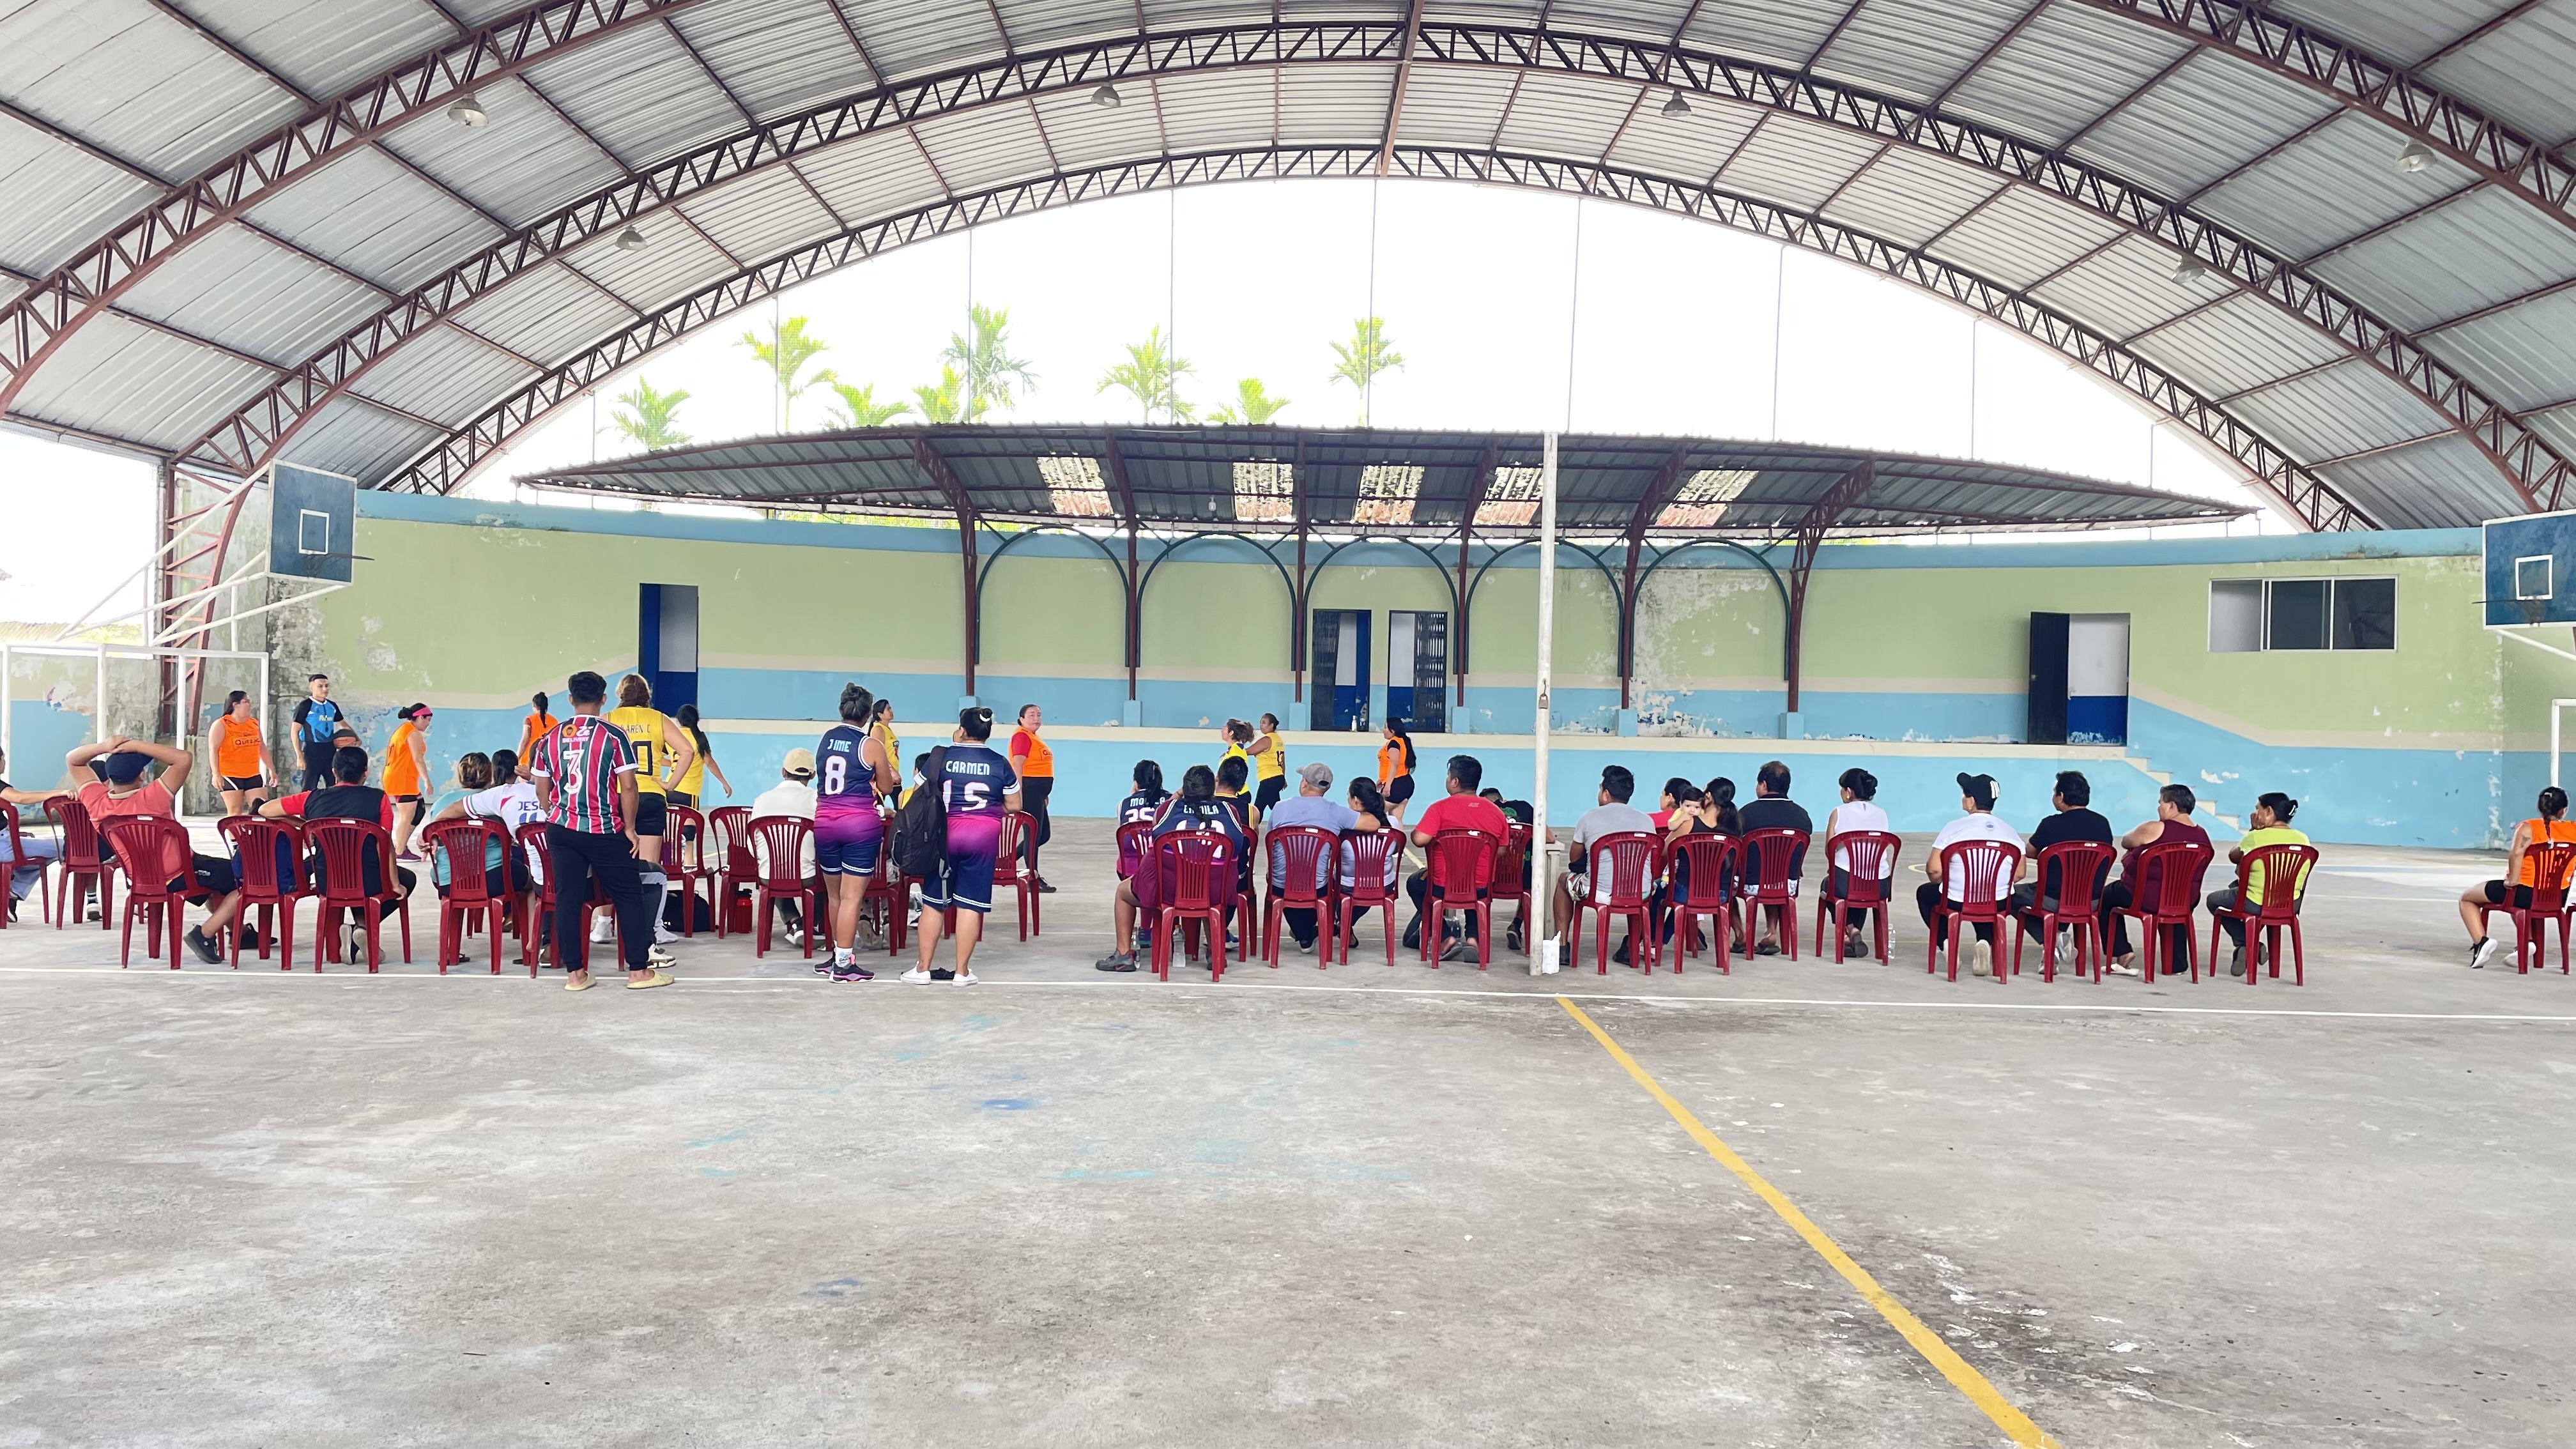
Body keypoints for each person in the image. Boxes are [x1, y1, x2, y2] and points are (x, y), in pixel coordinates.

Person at [527, 671, 668, 990]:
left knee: (568, 898)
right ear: (603, 699)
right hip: (603, 828)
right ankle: (638, 972)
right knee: (628, 895)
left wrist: (553, 812)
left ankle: (575, 975)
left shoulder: (551, 737)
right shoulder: (613, 735)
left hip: (562, 829)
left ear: (570, 699)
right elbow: (629, 786)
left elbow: (541, 787)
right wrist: (630, 828)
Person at [71, 734, 245, 963]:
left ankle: (240, 933)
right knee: (246, 877)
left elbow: (73, 760)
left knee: (216, 874)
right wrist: (134, 744)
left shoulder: (96, 802)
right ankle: (204, 934)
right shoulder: (153, 797)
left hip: (140, 879)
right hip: (178, 875)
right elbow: (184, 758)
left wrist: (105, 746)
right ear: (142, 775)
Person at [263, 744, 419, 962]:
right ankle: (362, 928)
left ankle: (358, 931)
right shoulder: (379, 799)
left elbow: (265, 810)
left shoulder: (312, 798)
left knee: (350, 879)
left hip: (327, 879)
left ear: (334, 772)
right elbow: (385, 845)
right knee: (407, 879)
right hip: (368, 879)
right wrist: (394, 883)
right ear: (366, 773)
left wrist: (305, 825)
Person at [908, 707, 1018, 986]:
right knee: (970, 904)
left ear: (962, 730)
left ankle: (922, 969)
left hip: (944, 836)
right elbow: (1015, 804)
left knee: (934, 902)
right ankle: (962, 972)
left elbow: (919, 793)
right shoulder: (999, 763)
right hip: (982, 838)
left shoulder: (941, 757)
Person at [1101, 763, 1245, 972]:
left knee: (1123, 892)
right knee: (1208, 882)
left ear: (1185, 788)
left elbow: (1156, 834)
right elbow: (1238, 848)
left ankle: (1123, 955)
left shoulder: (1167, 809)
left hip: (1170, 892)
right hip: (1216, 892)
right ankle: (1215, 953)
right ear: (1212, 789)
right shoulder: (1230, 811)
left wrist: (1177, 795)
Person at [601, 674, 694, 957]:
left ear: (620, 694)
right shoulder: (658, 718)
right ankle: (653, 928)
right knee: (651, 868)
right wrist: (671, 783)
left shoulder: (608, 718)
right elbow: (687, 750)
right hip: (651, 794)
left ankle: (604, 924)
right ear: (646, 694)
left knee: (610, 862)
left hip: (617, 795)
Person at [814, 684, 896, 982]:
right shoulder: (870, 744)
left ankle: (837, 953)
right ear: (868, 715)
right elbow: (886, 787)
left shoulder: (826, 739)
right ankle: (844, 964)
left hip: (825, 821)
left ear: (841, 710)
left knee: (835, 896)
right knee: (852, 898)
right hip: (858, 824)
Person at [1918, 772, 2025, 977]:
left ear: (1972, 801)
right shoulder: (2010, 832)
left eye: (1965, 794)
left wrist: (1941, 881)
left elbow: (1934, 869)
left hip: (1957, 901)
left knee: (1925, 893)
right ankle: (1985, 941)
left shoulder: (1954, 828)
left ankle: (1946, 944)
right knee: (1984, 897)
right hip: (1998, 902)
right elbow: (2020, 873)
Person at [2101, 783, 2212, 976]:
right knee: (2174, 900)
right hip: (2185, 899)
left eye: (2161, 803)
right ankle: (2176, 964)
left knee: (2104, 898)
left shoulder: (2155, 828)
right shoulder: (2202, 835)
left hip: (2145, 897)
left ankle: (2122, 951)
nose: (2159, 808)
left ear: (2172, 806)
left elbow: (2126, 841)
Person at [2460, 785, 2576, 969]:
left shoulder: (2528, 828)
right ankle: (2527, 942)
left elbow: (2516, 855)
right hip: (2557, 897)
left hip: (2525, 893)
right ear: (2564, 811)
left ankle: (2481, 942)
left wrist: (2511, 881)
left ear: (2539, 807)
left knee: (2467, 898)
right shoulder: (2574, 830)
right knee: (2520, 900)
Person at [1405, 754, 1508, 960]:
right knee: (1475, 885)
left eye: (1448, 775)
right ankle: (1473, 938)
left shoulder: (1439, 809)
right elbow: (1501, 851)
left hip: (1442, 886)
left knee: (1415, 883)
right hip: (1481, 887)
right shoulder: (1496, 813)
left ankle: (1445, 937)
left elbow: (1419, 839)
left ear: (1454, 781)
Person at [2012, 770, 2116, 969]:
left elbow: (2031, 852)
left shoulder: (2051, 824)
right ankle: (2055, 947)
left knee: (2011, 895)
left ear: (2061, 796)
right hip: (2091, 899)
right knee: (2066, 893)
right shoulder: (2103, 824)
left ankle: (2053, 940)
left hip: (2052, 899)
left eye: (2055, 793)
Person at [1551, 765, 1655, 960]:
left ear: (1606, 794)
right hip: (1640, 892)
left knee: (1563, 880)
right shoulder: (1647, 821)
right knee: (1648, 888)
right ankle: (1631, 948)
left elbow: (1574, 858)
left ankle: (1562, 946)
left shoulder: (1589, 818)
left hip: (1601, 893)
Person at [2209, 792, 2313, 976]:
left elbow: (2234, 856)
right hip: (2289, 903)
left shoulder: (2257, 837)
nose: (2255, 814)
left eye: (2258, 809)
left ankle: (2247, 944)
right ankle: (2249, 945)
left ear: (2269, 811)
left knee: (2213, 900)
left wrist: (2253, 831)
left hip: (2255, 902)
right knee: (2236, 886)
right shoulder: (2303, 839)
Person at [1264, 761, 1356, 953]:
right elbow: (1372, 824)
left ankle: (1304, 934)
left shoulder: (1280, 808)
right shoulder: (1336, 812)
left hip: (1280, 885)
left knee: (1281, 877)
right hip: (1317, 887)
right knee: (1332, 881)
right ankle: (1307, 933)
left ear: (1304, 783)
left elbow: (1270, 843)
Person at [748, 747, 820, 954]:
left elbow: (753, 848)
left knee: (777, 869)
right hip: (807, 876)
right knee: (831, 876)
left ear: (783, 772)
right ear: (812, 775)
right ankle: (809, 924)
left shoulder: (761, 800)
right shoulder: (817, 800)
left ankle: (796, 923)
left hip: (769, 875)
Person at [1736, 760, 1813, 954]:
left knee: (1723, 882)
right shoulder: (1802, 816)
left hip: (1751, 884)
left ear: (1763, 785)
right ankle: (1771, 930)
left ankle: (1740, 935)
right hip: (1787, 884)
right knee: (1775, 874)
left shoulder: (1746, 813)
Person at [1100, 760, 1172, 967]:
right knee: (1152, 874)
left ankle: (1134, 940)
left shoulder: (1123, 804)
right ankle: (1148, 930)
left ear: (1136, 782)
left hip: (1130, 869)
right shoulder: (1171, 803)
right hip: (1162, 870)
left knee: (1136, 879)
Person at [1821, 767, 1894, 959]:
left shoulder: (1839, 812)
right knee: (1862, 887)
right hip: (1880, 884)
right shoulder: (1882, 814)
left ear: (1848, 791)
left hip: (1846, 881)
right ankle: (1851, 935)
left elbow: (1830, 850)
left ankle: (1851, 930)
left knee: (1828, 886)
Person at [0, 746, 63, 918]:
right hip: (4, 846)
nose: (5, 762)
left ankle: (11, 892)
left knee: (36, 852)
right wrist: (59, 792)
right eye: (3, 758)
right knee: (65, 845)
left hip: (6, 840)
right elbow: (20, 798)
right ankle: (13, 891)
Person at [1008, 703, 1055, 893]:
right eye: (1031, 715)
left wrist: (1044, 795)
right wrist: (1018, 792)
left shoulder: (1034, 738)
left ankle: (1006, 861)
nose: (1036, 718)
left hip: (1037, 793)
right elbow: (1018, 765)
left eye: (1039, 715)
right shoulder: (1022, 736)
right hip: (1028, 790)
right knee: (1033, 835)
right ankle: (1032, 878)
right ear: (1021, 719)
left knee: (1042, 835)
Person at [206, 690, 274, 818]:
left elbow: (262, 747)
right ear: (235, 705)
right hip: (231, 775)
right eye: (246, 702)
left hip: (252, 773)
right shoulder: (221, 724)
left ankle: (255, 831)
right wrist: (216, 774)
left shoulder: (253, 723)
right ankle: (233, 832)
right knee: (235, 812)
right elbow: (213, 750)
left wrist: (271, 769)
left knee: (262, 809)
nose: (250, 705)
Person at [383, 703, 431, 861]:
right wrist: (427, 781)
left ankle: (401, 846)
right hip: (402, 779)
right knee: (406, 817)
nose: (428, 724)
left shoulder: (404, 730)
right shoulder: (412, 732)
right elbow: (418, 759)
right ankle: (399, 850)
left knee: (419, 810)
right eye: (427, 720)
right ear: (420, 717)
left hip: (402, 778)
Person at [670, 703, 729, 808]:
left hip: (670, 788)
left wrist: (673, 763)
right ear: (697, 719)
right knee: (690, 818)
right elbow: (709, 762)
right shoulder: (699, 737)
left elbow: (659, 758)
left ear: (678, 720)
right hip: (689, 791)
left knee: (671, 818)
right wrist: (724, 783)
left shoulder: (672, 736)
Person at [290, 675, 342, 792]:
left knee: (334, 785)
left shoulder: (332, 706)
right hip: (312, 751)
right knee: (309, 787)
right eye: (320, 686)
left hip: (330, 750)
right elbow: (294, 731)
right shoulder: (305, 706)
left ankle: (332, 805)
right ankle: (307, 805)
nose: (325, 689)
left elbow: (343, 725)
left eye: (327, 686)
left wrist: (355, 739)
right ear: (311, 688)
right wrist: (299, 755)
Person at [1377, 719, 1418, 830]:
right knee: (1396, 818)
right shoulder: (1403, 741)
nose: (1383, 730)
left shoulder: (1394, 744)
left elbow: (1394, 764)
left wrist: (1388, 786)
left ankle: (1377, 839)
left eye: (1386, 727)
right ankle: (1398, 840)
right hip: (1406, 783)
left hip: (1397, 784)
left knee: (1377, 812)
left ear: (1393, 730)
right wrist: (1381, 780)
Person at [1249, 713, 1288, 817]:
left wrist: (1233, 751)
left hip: (1269, 779)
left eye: (1264, 723)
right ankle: (1286, 823)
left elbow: (1248, 751)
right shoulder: (1279, 740)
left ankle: (1288, 822)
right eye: (1261, 723)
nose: (1261, 725)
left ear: (1272, 725)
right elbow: (1282, 762)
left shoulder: (1267, 740)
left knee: (1259, 809)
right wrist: (1283, 777)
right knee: (1270, 807)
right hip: (1277, 778)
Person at [518, 692, 558, 765]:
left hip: (528, 761)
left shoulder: (529, 720)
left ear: (534, 705)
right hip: (547, 761)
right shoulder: (554, 721)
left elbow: (525, 741)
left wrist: (517, 757)